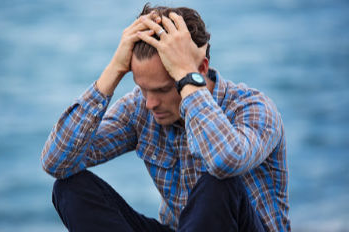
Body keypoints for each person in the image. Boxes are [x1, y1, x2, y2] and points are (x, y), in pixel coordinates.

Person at [41, 4, 290, 232]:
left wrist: (186, 75)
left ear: (200, 70)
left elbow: (224, 160)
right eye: (142, 88)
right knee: (69, 188)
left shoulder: (254, 108)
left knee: (219, 183)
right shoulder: (140, 108)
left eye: (162, 89)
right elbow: (57, 162)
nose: (149, 103)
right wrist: (114, 71)